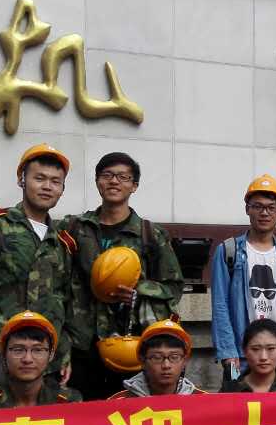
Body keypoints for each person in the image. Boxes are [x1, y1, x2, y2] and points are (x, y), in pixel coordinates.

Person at [27, 152, 183, 400]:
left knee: (128, 415)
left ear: (134, 186)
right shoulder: (73, 228)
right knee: (82, 415)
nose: (114, 181)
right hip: (81, 345)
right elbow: (36, 230)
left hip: (129, 344)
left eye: (123, 177)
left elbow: (173, 287)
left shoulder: (150, 234)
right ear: (97, 181)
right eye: (107, 175)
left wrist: (140, 291)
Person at [0, 143, 71, 396]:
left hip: (43, 358)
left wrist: (62, 352)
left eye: (55, 181)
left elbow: (62, 300)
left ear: (62, 190)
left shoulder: (62, 241)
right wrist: (7, 337)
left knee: (39, 421)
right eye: (39, 178)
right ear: (22, 180)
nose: (47, 186)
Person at [209, 174, 276, 386]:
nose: (264, 213)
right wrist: (227, 350)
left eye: (271, 208)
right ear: (247, 209)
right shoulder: (229, 251)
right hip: (240, 355)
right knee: (236, 402)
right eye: (258, 206)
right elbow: (220, 304)